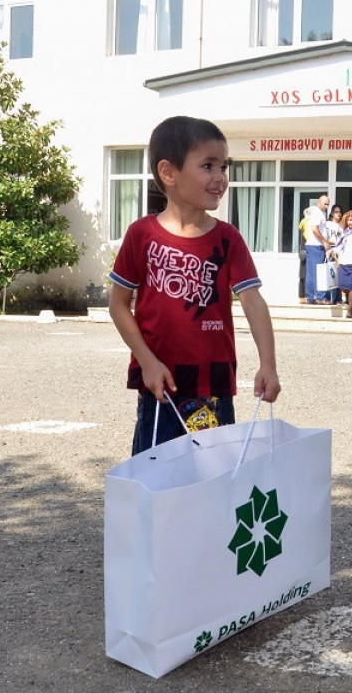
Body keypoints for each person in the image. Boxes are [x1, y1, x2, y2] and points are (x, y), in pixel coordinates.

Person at [108, 115, 282, 455]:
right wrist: (147, 362)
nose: (220, 178)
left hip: (212, 385)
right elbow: (117, 304)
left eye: (224, 167)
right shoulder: (141, 235)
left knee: (214, 479)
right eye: (208, 166)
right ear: (169, 173)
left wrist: (268, 364)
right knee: (156, 480)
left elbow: (252, 301)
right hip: (160, 384)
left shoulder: (228, 239)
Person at [303, 195, 331, 304]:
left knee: (311, 272)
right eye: (325, 204)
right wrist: (325, 242)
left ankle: (310, 297)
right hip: (316, 245)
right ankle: (320, 297)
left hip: (311, 245)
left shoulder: (316, 212)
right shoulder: (317, 213)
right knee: (319, 272)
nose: (326, 206)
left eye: (328, 204)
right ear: (319, 202)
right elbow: (315, 229)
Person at [323, 204, 345, 304]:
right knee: (330, 274)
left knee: (339, 275)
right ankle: (329, 298)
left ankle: (338, 298)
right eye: (336, 212)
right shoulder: (327, 224)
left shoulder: (342, 226)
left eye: (340, 212)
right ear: (332, 213)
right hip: (330, 251)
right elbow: (324, 238)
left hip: (340, 251)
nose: (338, 214)